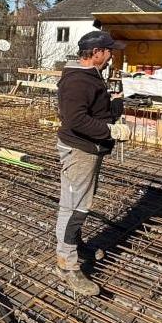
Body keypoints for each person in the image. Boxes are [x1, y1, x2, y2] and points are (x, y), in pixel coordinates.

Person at [55, 30, 131, 296]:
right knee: (74, 207)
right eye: (109, 51)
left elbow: (94, 112)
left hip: (89, 149)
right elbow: (76, 120)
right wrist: (111, 131)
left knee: (80, 202)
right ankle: (67, 264)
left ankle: (75, 245)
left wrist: (115, 105)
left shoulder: (91, 76)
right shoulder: (78, 81)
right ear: (96, 52)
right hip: (80, 151)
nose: (111, 56)